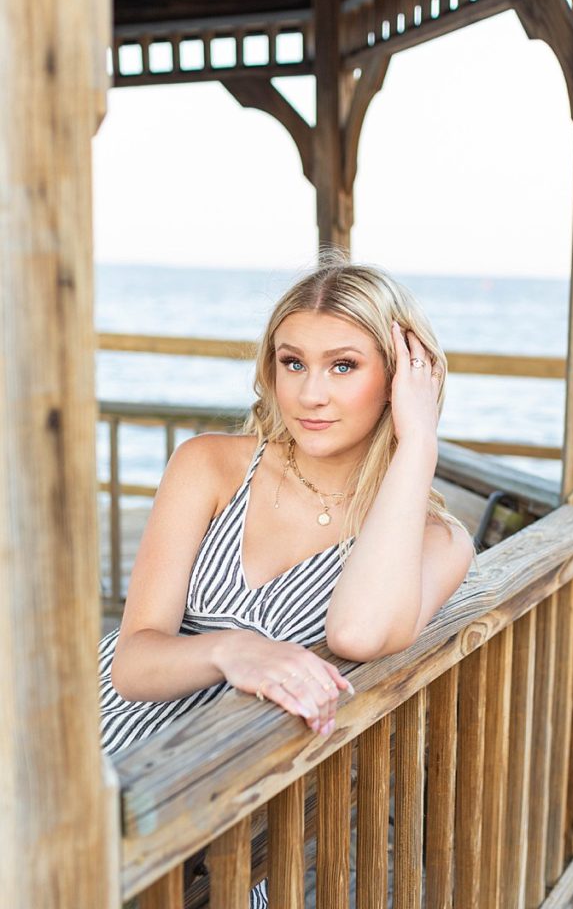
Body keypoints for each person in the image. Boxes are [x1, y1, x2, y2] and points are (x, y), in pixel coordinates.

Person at [98, 253, 474, 906]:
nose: (309, 394)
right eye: (292, 362)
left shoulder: (437, 541)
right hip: (112, 754)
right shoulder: (210, 466)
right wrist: (230, 649)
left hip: (238, 805)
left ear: (399, 378)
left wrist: (417, 443)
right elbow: (131, 664)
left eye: (344, 366)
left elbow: (356, 632)